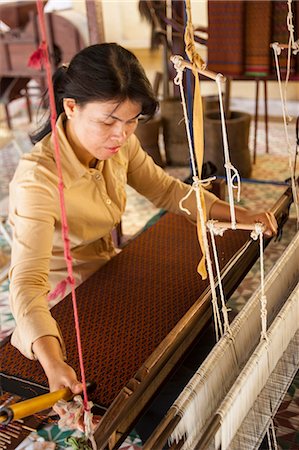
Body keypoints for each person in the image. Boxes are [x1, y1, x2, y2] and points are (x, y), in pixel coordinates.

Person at [9, 43, 277, 398]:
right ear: (71, 107)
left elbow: (168, 191)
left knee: (204, 336)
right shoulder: (37, 180)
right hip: (63, 300)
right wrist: (55, 364)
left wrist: (242, 216)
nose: (121, 134)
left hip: (109, 271)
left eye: (132, 121)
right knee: (155, 391)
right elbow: (27, 284)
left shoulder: (120, 145)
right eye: (108, 121)